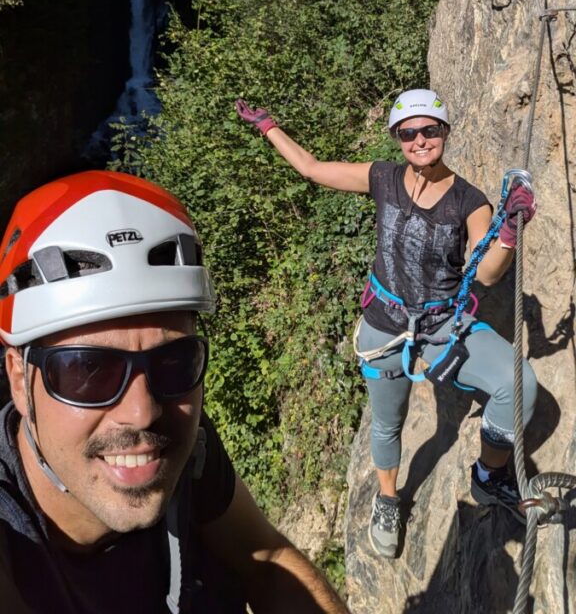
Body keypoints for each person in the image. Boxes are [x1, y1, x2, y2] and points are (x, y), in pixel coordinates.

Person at [0, 169, 350, 613]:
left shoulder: (186, 448)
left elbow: (265, 559)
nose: (143, 411)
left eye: (173, 361)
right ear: (19, 379)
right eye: (89, 371)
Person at [236, 89, 538, 559]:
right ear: (398, 139)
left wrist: (510, 230)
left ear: (444, 131)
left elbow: (488, 273)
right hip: (385, 322)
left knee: (518, 384)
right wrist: (268, 126)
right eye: (408, 133)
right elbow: (311, 169)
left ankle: (487, 475)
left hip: (441, 323)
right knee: (387, 423)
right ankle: (388, 499)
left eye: (429, 130)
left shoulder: (469, 202)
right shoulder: (383, 178)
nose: (420, 140)